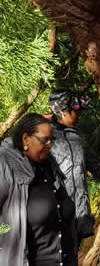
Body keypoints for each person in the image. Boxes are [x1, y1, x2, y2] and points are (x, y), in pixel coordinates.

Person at [0, 113, 77, 266]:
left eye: (51, 140)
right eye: (44, 140)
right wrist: (6, 233)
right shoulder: (6, 166)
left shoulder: (49, 165)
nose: (50, 145)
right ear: (25, 139)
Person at [48, 90, 100, 243]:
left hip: (79, 216)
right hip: (53, 216)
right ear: (63, 112)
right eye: (76, 111)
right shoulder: (45, 137)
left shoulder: (79, 138)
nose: (79, 115)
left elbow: (99, 168)